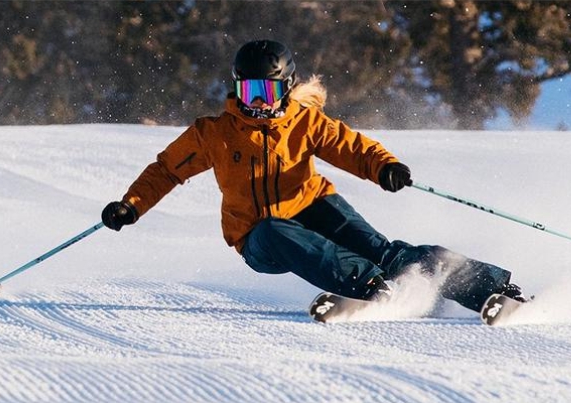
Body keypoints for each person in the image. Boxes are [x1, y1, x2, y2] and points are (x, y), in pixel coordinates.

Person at [100, 39, 521, 312]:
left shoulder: (304, 122)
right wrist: (130, 206)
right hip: (260, 237)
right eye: (249, 93)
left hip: (314, 205)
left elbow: (351, 146)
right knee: (272, 230)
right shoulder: (215, 133)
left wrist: (384, 166)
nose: (259, 104)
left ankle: (492, 288)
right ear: (236, 89)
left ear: (286, 88)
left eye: (268, 93)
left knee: (386, 251)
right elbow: (165, 171)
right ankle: (373, 288)